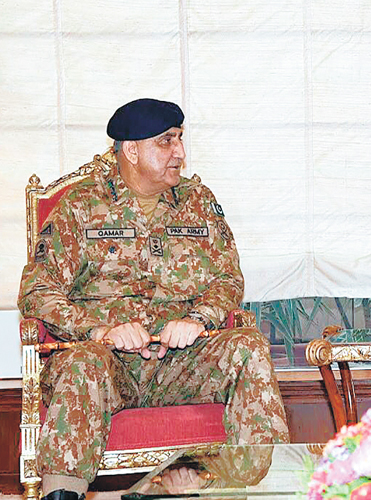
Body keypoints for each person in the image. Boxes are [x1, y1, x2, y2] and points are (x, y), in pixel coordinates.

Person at [18, 98, 290, 500]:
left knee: (249, 346)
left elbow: (228, 278)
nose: (179, 152)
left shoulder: (198, 203)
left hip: (182, 364)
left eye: (180, 139)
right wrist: (100, 331)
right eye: (166, 142)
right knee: (81, 364)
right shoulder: (80, 207)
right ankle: (62, 494)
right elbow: (37, 291)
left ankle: (229, 483)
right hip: (107, 363)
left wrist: (198, 319)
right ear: (132, 150)